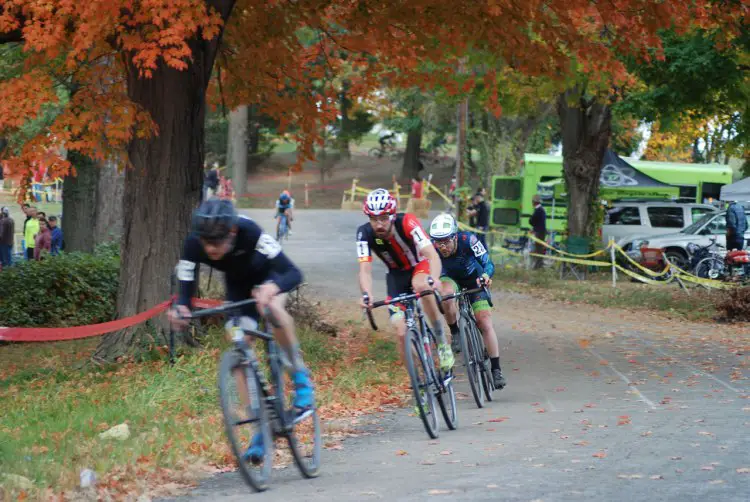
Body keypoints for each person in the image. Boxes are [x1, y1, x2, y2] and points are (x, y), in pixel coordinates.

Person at [168, 199, 313, 463]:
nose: (211, 248)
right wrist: (181, 309)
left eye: (217, 241)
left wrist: (272, 288)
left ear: (232, 233)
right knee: (238, 346)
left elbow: (293, 272)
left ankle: (300, 376)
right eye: (206, 242)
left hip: (270, 278)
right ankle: (260, 429)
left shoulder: (250, 232)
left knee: (272, 309)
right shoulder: (194, 243)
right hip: (238, 288)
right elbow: (186, 285)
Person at [356, 189, 454, 371]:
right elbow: (365, 270)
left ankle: (442, 343)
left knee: (421, 286)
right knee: (401, 332)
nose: (379, 224)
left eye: (384, 218)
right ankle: (420, 381)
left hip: (419, 265)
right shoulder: (364, 234)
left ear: (393, 216)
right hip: (395, 276)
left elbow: (432, 254)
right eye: (374, 219)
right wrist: (366, 294)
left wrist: (434, 278)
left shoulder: (408, 221)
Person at [429, 213, 506, 389]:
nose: (442, 246)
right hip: (449, 278)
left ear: (455, 236)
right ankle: (455, 331)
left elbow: (488, 263)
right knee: (447, 294)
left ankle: (496, 369)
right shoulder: (431, 248)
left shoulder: (468, 240)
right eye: (438, 241)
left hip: (474, 278)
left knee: (484, 320)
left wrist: (486, 275)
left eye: (446, 241)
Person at [529, 194, 547, 270]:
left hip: (540, 233)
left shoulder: (538, 210)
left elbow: (533, 221)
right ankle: (538, 264)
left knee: (538, 249)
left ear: (534, 202)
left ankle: (538, 266)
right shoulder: (541, 210)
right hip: (540, 231)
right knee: (538, 248)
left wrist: (531, 221)